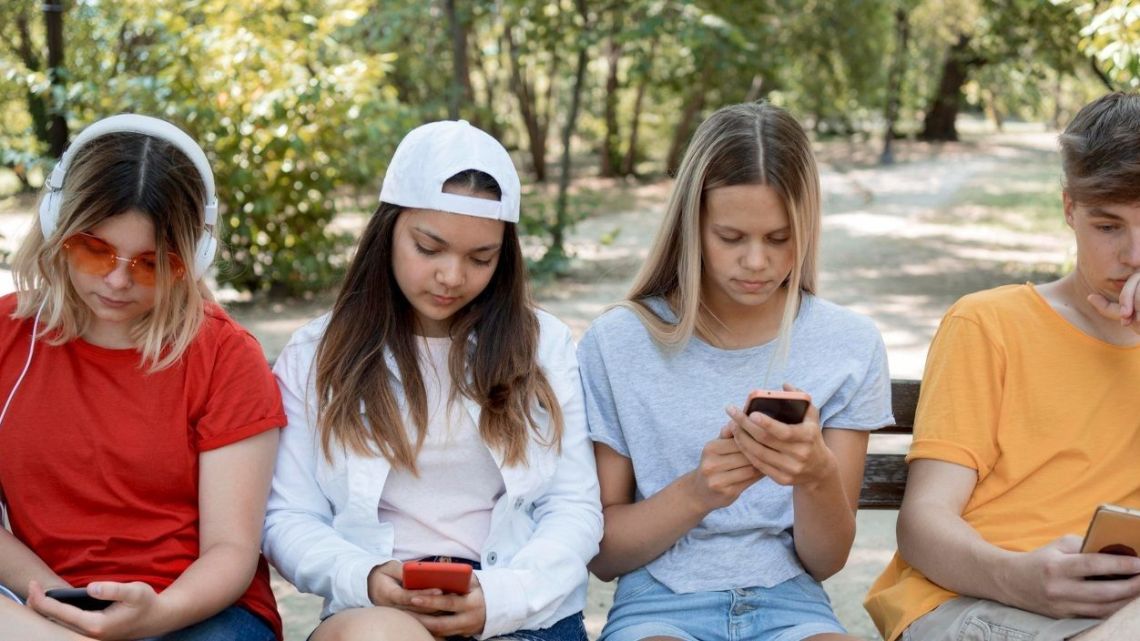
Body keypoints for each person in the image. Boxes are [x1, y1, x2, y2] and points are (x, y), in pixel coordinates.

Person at [262, 120, 602, 641]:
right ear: (388, 233)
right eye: (428, 248)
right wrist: (366, 577)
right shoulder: (315, 356)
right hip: (376, 615)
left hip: (521, 611)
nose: (452, 276)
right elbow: (288, 516)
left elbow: (573, 507)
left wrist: (502, 598)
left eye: (481, 258)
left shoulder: (543, 347)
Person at [577, 102, 893, 641]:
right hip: (658, 604)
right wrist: (699, 491)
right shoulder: (619, 342)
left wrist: (815, 475)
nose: (756, 262)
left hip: (792, 603)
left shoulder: (849, 344)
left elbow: (827, 560)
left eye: (779, 238)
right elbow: (603, 556)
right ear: (691, 226)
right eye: (730, 237)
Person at [864, 92, 1140, 641]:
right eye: (1108, 226)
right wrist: (1021, 580)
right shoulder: (989, 324)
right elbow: (922, 523)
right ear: (1069, 209)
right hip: (970, 598)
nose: (1134, 255)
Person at [0, 115, 284, 640]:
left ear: (191, 260)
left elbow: (231, 549)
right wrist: (60, 604)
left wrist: (156, 614)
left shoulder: (226, 357)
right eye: (94, 250)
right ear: (57, 225)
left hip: (196, 611)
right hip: (46, 603)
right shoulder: (7, 335)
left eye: (152, 264)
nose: (117, 280)